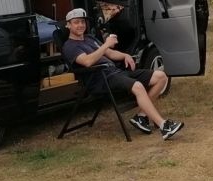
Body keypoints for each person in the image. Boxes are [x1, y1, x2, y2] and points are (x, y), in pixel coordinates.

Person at [61, 8, 183, 140]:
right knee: (138, 86)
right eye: (76, 22)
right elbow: (87, 61)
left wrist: (125, 55)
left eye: (83, 22)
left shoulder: (89, 38)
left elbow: (110, 54)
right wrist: (106, 44)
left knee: (160, 77)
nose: (80, 25)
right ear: (68, 25)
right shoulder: (70, 46)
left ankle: (141, 117)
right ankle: (164, 126)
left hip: (115, 72)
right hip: (100, 79)